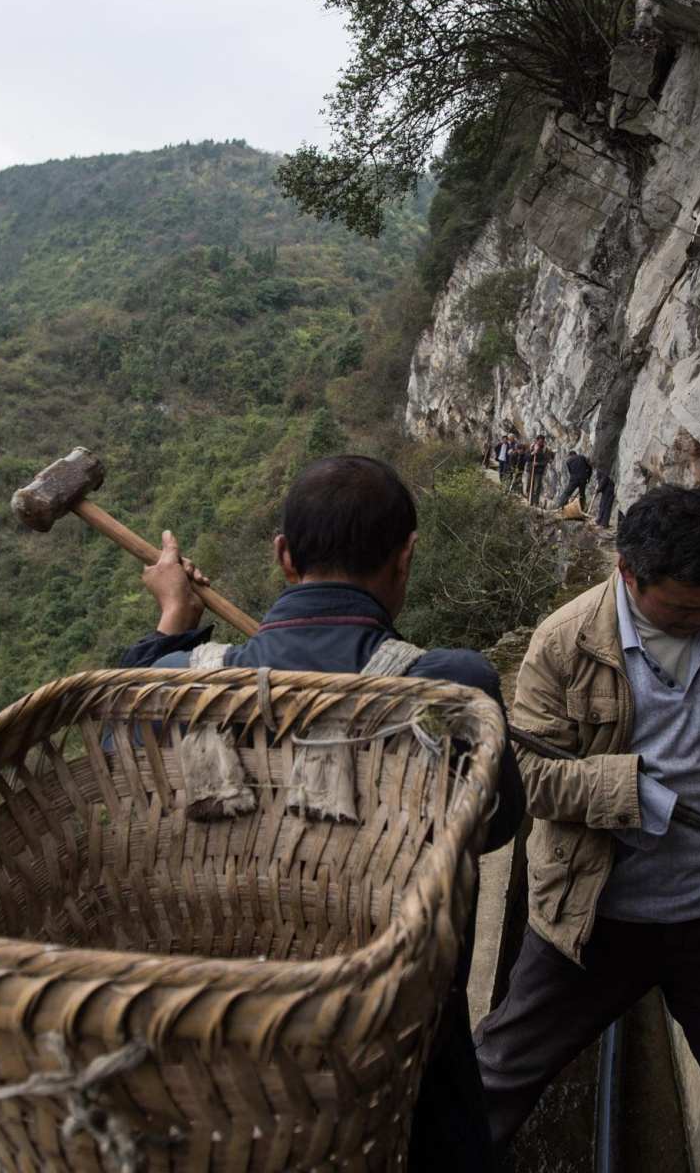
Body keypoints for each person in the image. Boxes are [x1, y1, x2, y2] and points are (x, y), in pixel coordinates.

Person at [121, 454, 527, 1172]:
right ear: (405, 559)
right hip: (408, 1046)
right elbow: (496, 828)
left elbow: (113, 732)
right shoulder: (450, 685)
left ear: (283, 556)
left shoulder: (175, 685)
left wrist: (174, 623)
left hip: (231, 1050)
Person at [473, 485, 700, 1172]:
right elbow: (525, 772)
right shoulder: (565, 643)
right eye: (684, 608)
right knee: (490, 1087)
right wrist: (626, 790)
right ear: (630, 575)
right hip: (592, 920)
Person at [524, 435, 553, 504]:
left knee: (536, 487)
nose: (541, 443)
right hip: (530, 469)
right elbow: (526, 458)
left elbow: (546, 461)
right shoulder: (531, 447)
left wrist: (538, 464)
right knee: (529, 485)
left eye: (542, 441)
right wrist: (533, 453)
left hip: (539, 471)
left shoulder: (545, 450)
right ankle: (529, 500)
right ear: (536, 440)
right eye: (540, 441)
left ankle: (535, 502)